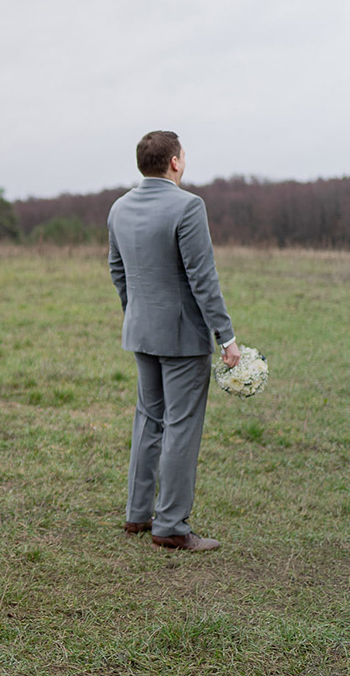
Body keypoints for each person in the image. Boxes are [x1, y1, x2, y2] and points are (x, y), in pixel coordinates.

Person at [107, 130, 240, 552]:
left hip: (140, 331)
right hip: (183, 337)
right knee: (181, 427)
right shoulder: (188, 205)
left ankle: (136, 514)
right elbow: (203, 278)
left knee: (149, 418)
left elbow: (117, 270)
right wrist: (227, 336)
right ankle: (171, 526)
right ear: (175, 163)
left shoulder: (119, 207)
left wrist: (137, 313)